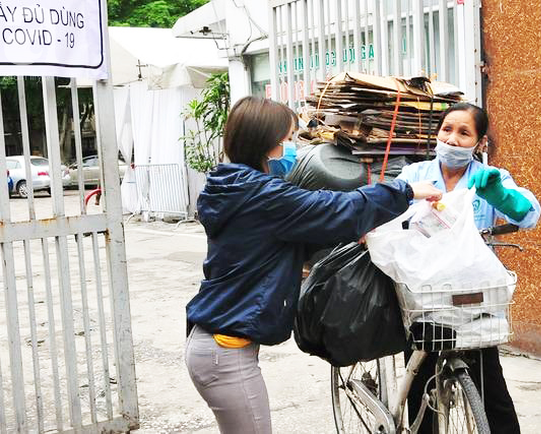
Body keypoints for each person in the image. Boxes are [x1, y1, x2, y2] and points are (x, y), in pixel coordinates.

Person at [184, 96, 442, 434]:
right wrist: (403, 190)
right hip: (225, 351)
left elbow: (283, 241)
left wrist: (353, 233)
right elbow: (334, 207)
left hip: (215, 342)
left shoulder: (235, 189)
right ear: (266, 145)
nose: (291, 148)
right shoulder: (262, 195)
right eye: (287, 139)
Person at [397, 102, 541, 433]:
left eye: (464, 133)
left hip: (471, 296)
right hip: (423, 295)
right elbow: (385, 211)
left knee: (491, 385)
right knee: (421, 383)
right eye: (447, 129)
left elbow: (529, 214)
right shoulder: (414, 175)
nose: (452, 138)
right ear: (437, 133)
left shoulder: (489, 177)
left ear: (479, 143)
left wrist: (502, 197)